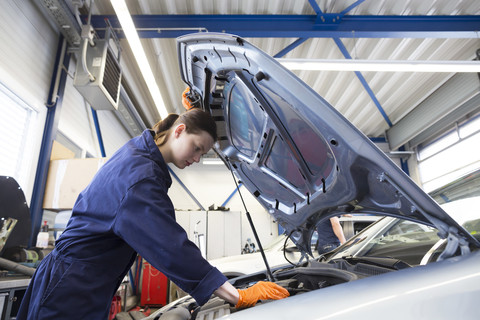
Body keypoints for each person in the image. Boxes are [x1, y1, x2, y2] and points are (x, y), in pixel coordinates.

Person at [17, 108, 288, 319]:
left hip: (80, 279)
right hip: (71, 285)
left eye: (202, 154)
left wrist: (197, 109)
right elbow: (171, 248)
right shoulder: (140, 180)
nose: (196, 159)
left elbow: (175, 128)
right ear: (179, 130)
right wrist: (237, 296)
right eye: (197, 149)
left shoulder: (141, 148)